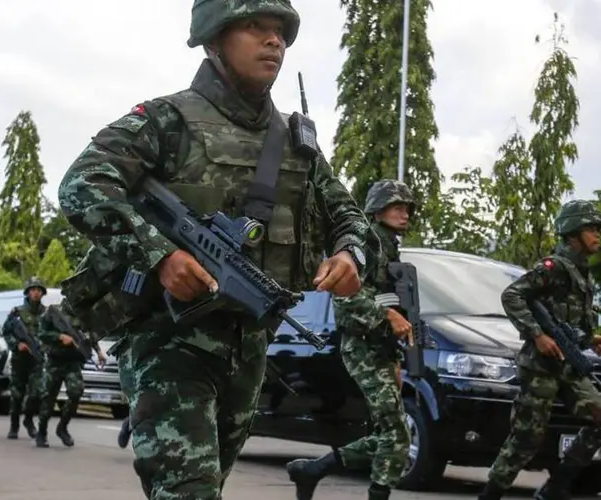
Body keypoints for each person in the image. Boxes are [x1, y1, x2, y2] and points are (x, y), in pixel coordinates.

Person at [56, 1, 376, 496]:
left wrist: (350, 253)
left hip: (248, 347)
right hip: (168, 344)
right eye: (255, 27)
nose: (273, 41)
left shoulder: (296, 141)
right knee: (190, 492)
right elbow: (82, 183)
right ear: (213, 39)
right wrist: (160, 255)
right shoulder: (167, 120)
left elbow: (347, 215)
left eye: (280, 32)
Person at [286, 180, 415, 500]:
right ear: (378, 209)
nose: (405, 213)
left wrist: (395, 358)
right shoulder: (368, 244)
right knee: (396, 435)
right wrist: (388, 317)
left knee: (387, 435)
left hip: (380, 350)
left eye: (407, 208)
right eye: (396, 206)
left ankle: (312, 470)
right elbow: (345, 296)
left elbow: (388, 299)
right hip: (360, 347)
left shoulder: (389, 246)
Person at [478, 200, 601, 500]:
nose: (598, 234)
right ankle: (489, 495)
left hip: (569, 365)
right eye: (591, 228)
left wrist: (591, 340)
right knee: (526, 440)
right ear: (573, 232)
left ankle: (556, 487)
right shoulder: (553, 267)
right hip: (540, 366)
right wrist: (536, 335)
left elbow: (569, 323)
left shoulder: (581, 272)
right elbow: (512, 295)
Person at [35, 298, 105, 448]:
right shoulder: (53, 311)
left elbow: (90, 335)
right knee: (48, 397)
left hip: (73, 362)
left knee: (76, 392)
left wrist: (98, 352)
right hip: (55, 361)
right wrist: (59, 337)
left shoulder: (84, 314)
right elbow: (41, 333)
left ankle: (62, 428)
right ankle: (41, 432)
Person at [2, 277, 47, 440]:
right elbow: (6, 331)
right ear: (28, 292)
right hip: (20, 360)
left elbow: (51, 335)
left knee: (37, 393)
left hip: (37, 359)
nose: (36, 292)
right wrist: (16, 345)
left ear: (42, 293)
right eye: (33, 289)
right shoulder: (17, 312)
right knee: (17, 394)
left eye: (38, 290)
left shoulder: (47, 313)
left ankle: (28, 419)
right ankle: (14, 425)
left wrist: (44, 345)